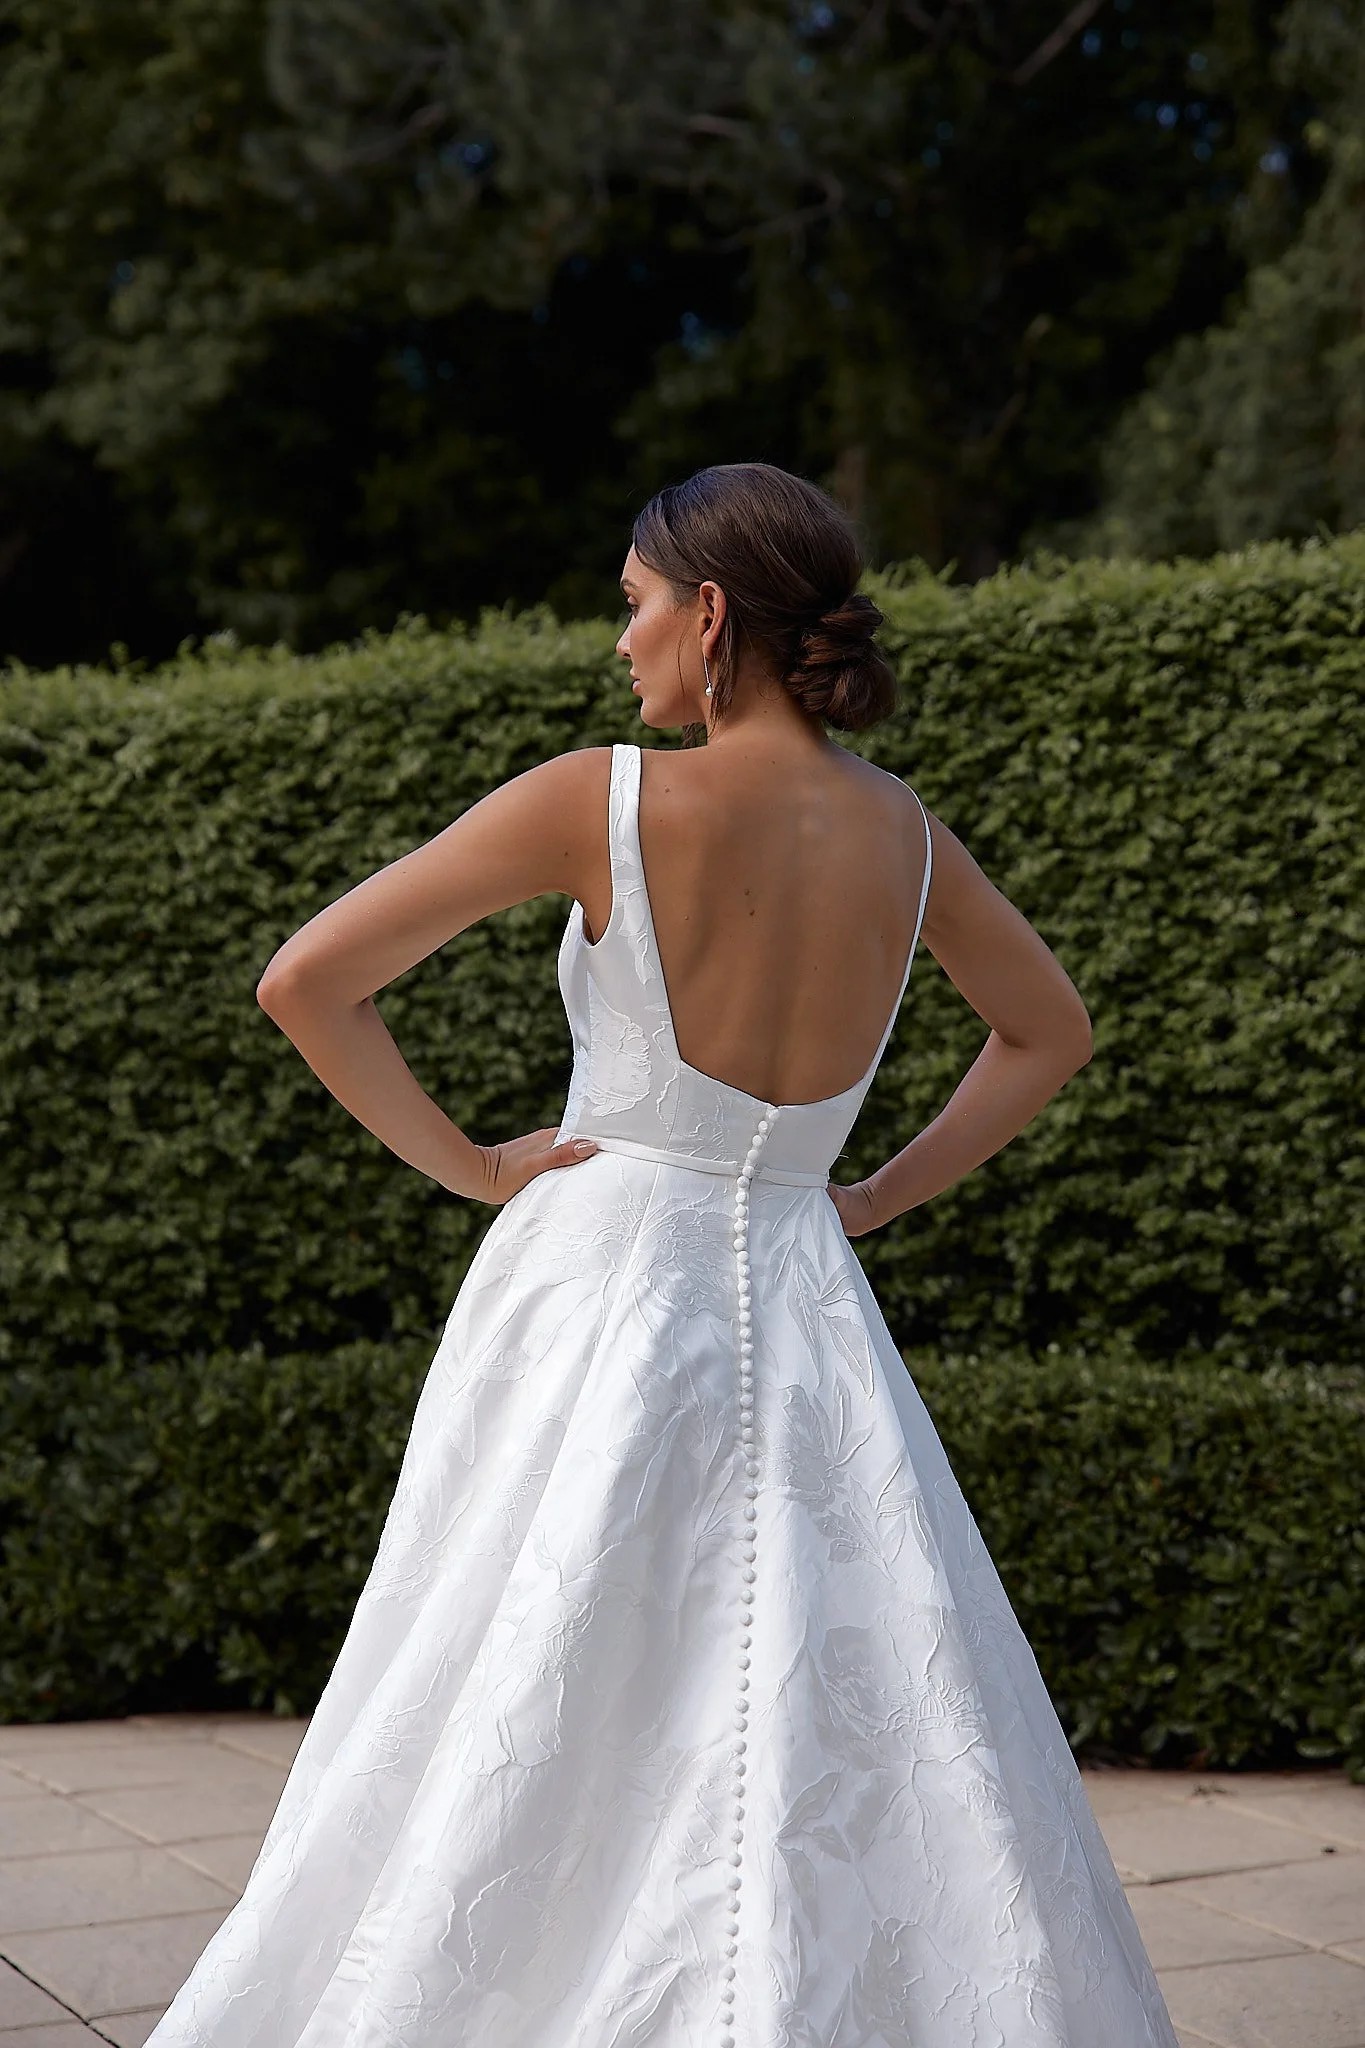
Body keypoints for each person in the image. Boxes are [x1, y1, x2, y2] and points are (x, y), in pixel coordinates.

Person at [146, 462, 1179, 2046]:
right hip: (804, 1291)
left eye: (630, 604)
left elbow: (308, 981)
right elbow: (1050, 1032)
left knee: (532, 1653)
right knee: (823, 1671)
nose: (617, 639)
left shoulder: (600, 797)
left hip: (600, 1285)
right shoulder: (905, 836)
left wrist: (479, 1167)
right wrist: (866, 1198)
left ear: (706, 615)